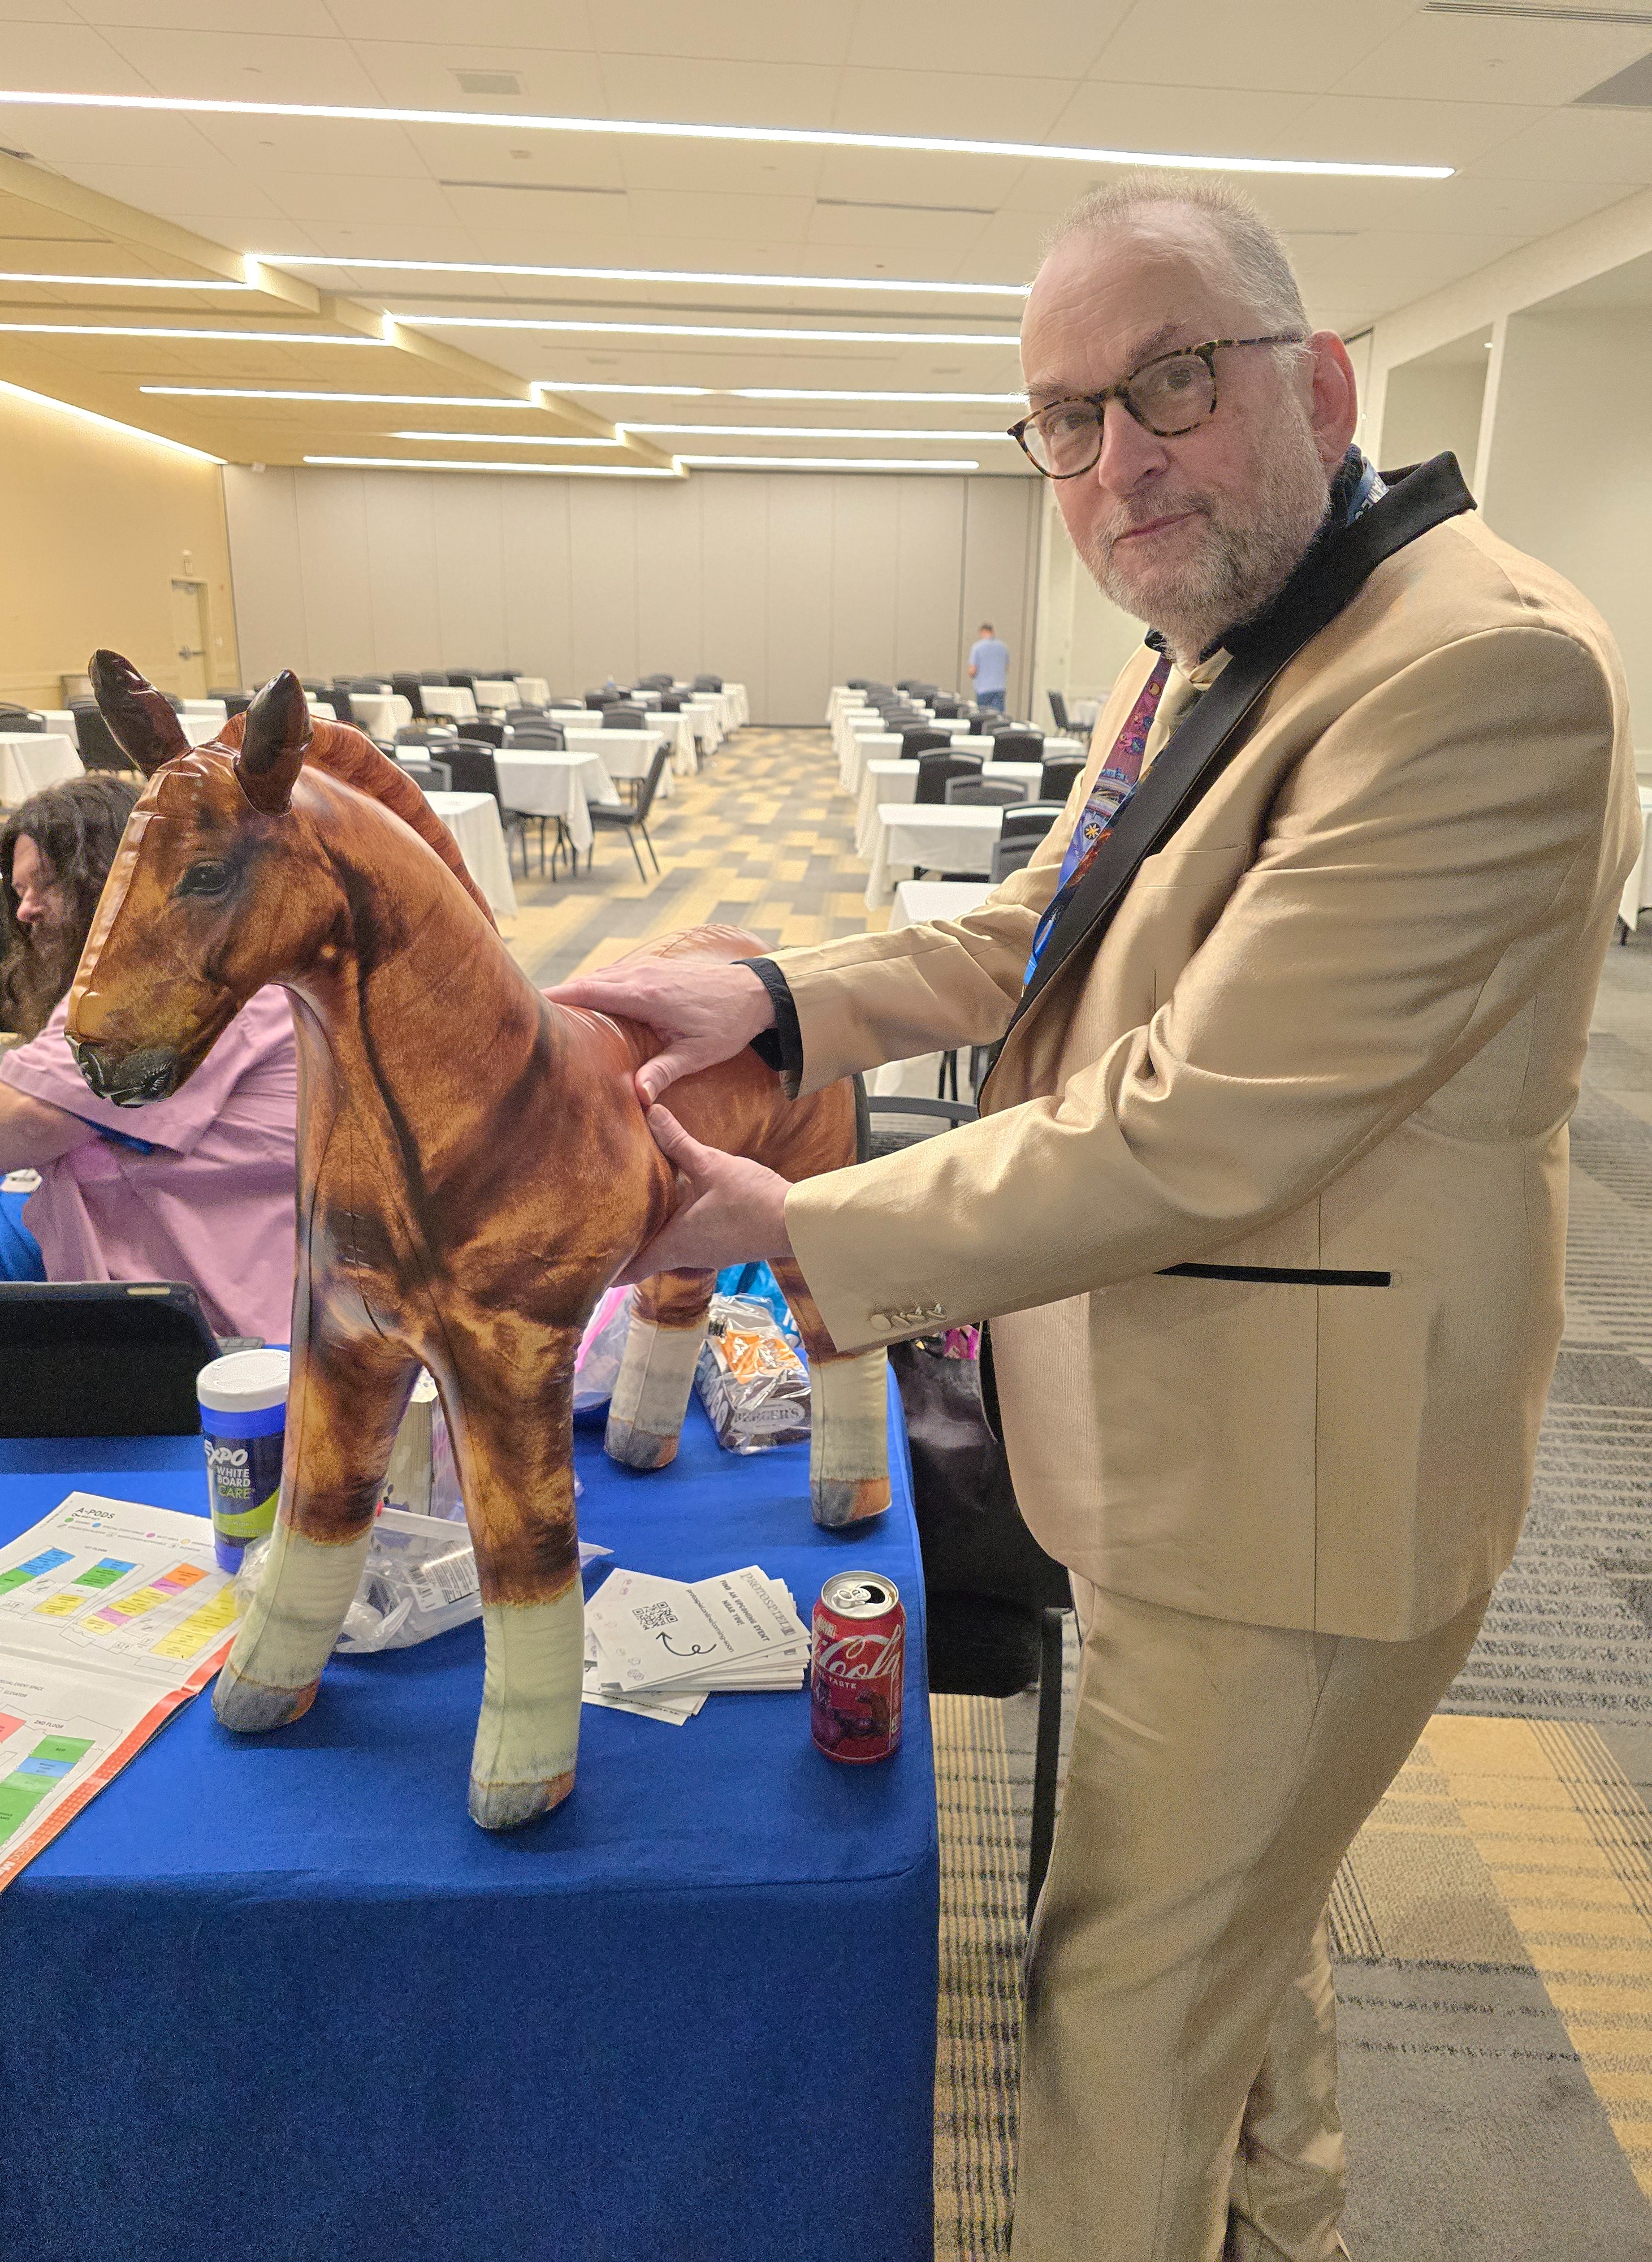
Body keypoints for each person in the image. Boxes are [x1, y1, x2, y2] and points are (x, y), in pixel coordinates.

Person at [550, 175, 1639, 2260]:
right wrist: (771, 995)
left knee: (1121, 2017)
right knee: (1238, 1944)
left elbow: (1188, 1125)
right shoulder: (1233, 639)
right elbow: (1035, 932)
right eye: (1063, 418)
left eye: (1170, 384)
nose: (1113, 459)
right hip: (1186, 1438)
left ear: (1318, 386)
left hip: (1297, 1496)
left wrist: (793, 1218)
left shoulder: (1475, 674)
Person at [0, 773, 298, 1341]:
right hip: (173, 1311)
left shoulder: (189, 974)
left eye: (47, 885)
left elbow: (31, 1116)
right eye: (19, 892)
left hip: (233, 1349)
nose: (25, 911)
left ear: (119, 878)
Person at [967, 620, 1009, 710]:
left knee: (983, 715)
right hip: (999, 688)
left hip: (983, 689)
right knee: (998, 716)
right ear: (992, 632)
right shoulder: (1003, 647)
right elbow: (1006, 668)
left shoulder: (977, 647)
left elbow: (973, 670)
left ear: (982, 632)